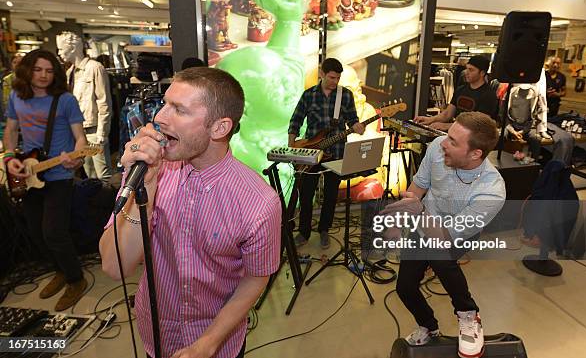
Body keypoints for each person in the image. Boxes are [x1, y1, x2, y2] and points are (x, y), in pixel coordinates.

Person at [99, 67, 281, 358]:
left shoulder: (259, 202)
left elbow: (255, 277)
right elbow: (114, 266)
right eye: (165, 104)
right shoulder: (147, 170)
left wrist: (208, 342)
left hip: (216, 341)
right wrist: (145, 185)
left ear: (219, 128)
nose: (159, 117)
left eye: (179, 110)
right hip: (156, 334)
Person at [381, 112, 506, 358]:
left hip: (455, 233)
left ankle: (469, 315)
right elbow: (417, 188)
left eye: (453, 142)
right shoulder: (438, 147)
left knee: (438, 254)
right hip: (425, 222)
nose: (444, 143)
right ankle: (429, 326)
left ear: (475, 154)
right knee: (404, 287)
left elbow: (444, 236)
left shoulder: (492, 191)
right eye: (448, 136)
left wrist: (419, 210)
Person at [2, 49, 88, 311]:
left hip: (59, 174)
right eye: (38, 70)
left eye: (49, 71)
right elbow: (10, 131)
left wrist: (77, 158)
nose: (43, 75)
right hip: (29, 174)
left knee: (54, 232)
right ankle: (59, 270)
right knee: (36, 232)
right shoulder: (17, 96)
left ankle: (76, 279)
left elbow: (81, 139)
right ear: (27, 70)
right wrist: (8, 158)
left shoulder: (64, 100)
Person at [288, 58, 365, 249]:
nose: (335, 81)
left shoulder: (345, 95)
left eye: (338, 78)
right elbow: (296, 120)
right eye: (331, 77)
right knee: (306, 194)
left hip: (337, 151)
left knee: (331, 194)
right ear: (322, 74)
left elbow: (352, 120)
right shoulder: (309, 95)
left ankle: (324, 230)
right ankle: (304, 231)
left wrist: (357, 126)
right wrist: (292, 145)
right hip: (312, 151)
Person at [57, 31, 113, 181]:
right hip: (78, 132)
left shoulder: (95, 68)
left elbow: (104, 101)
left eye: (62, 49)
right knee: (88, 173)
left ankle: (111, 203)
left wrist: (102, 132)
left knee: (103, 174)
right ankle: (94, 204)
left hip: (94, 130)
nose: (60, 53)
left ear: (73, 47)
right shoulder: (70, 73)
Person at [415, 55, 498, 132]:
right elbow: (447, 114)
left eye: (471, 70)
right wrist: (429, 119)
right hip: (456, 133)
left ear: (482, 73)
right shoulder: (461, 89)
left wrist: (448, 126)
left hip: (472, 141)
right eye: (467, 68)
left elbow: (478, 125)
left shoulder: (489, 95)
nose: (466, 72)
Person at [2, 53, 25, 121]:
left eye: (20, 62)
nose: (17, 64)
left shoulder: (31, 78)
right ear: (11, 64)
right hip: (13, 113)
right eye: (14, 62)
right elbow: (6, 100)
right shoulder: (7, 80)